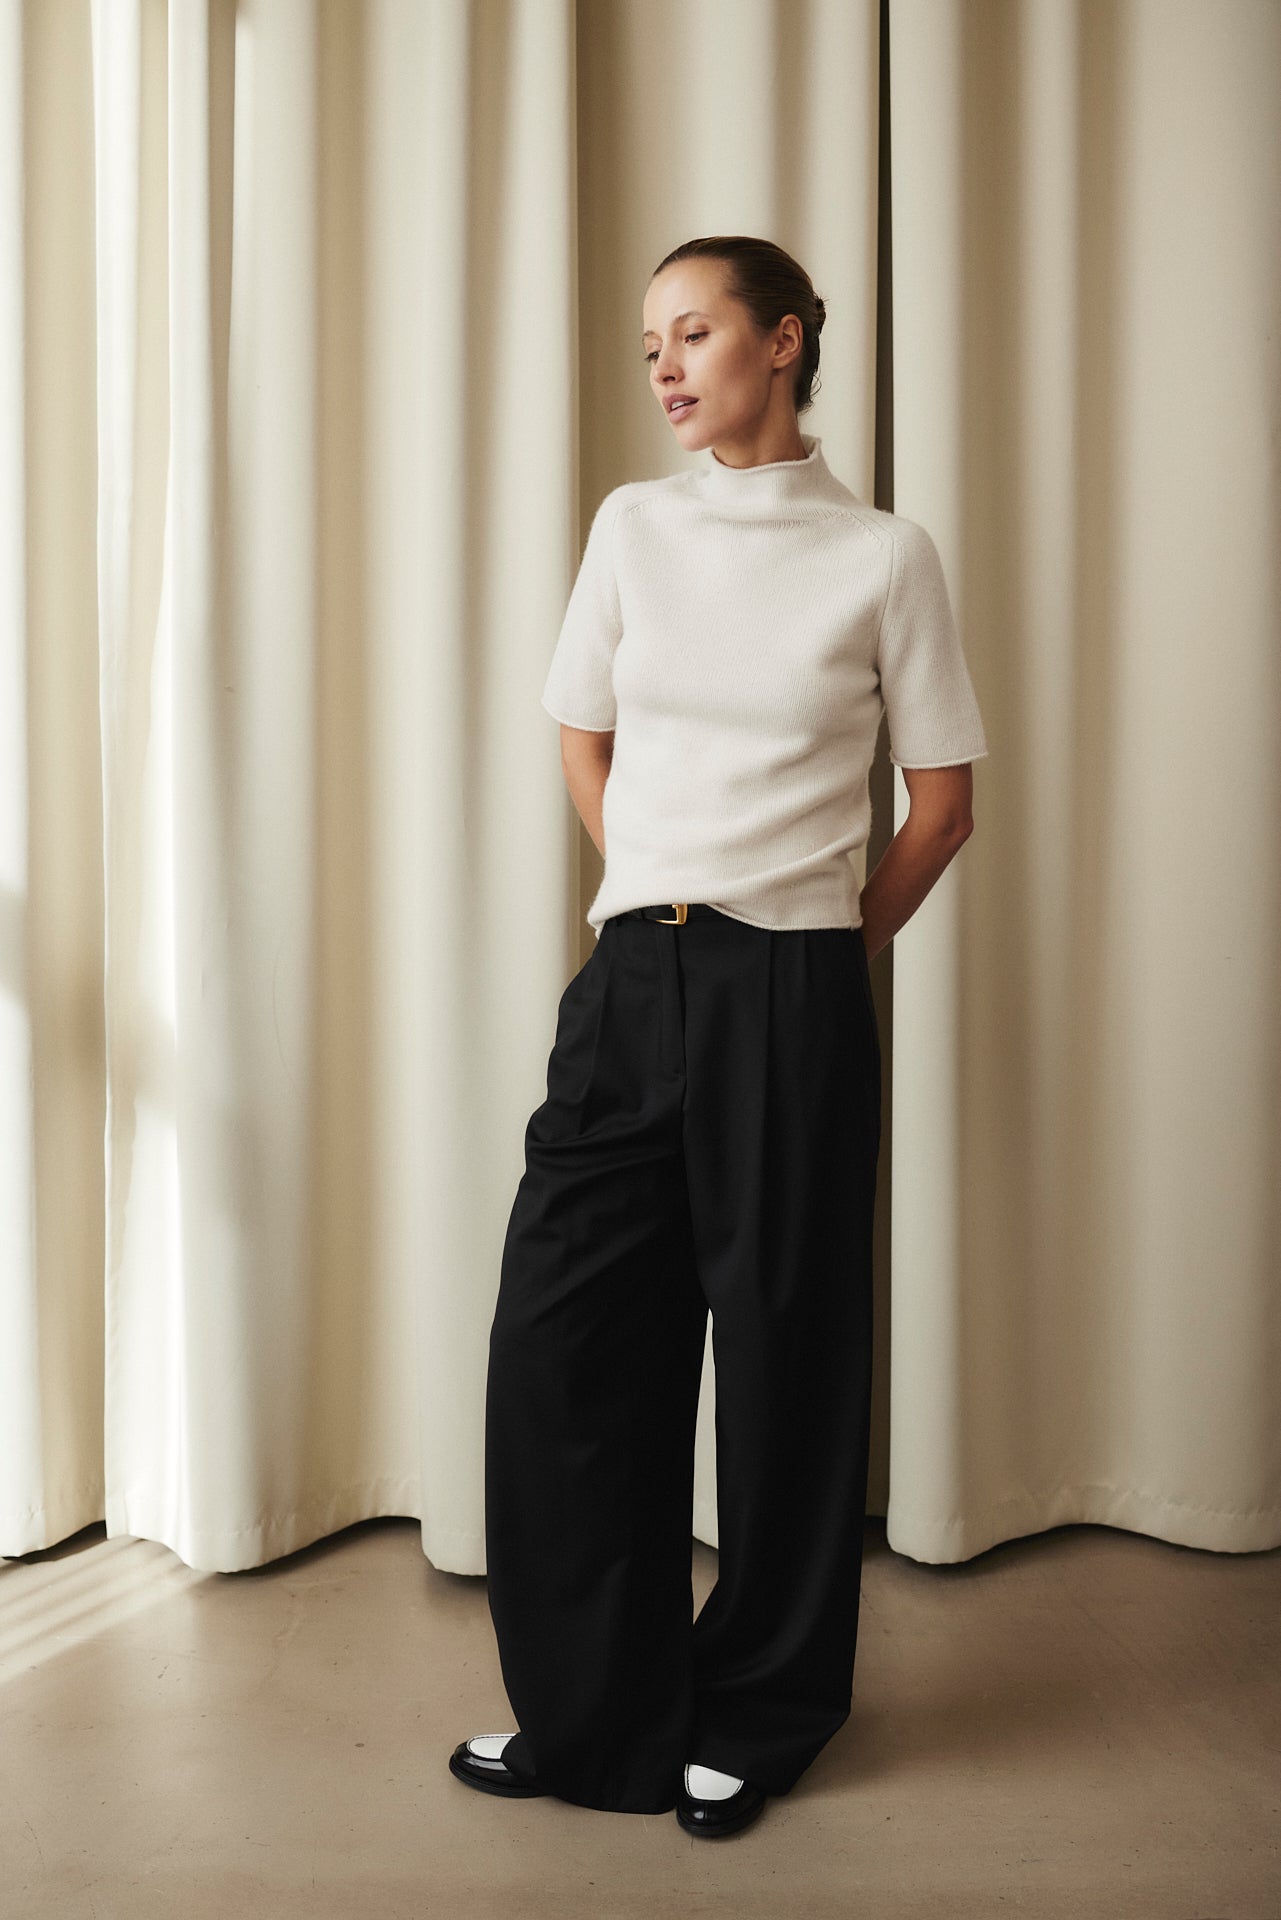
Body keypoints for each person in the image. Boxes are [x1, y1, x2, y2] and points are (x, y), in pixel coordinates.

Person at [449, 235, 988, 1839]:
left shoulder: (881, 556)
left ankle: (758, 1712)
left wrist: (814, 947)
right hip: (632, 977)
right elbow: (581, 732)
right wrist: (656, 887)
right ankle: (590, 1712)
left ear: (785, 340)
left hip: (792, 991)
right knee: (562, 1353)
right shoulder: (632, 527)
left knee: (784, 1365)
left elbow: (942, 806)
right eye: (650, 347)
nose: (666, 368)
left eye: (692, 334)